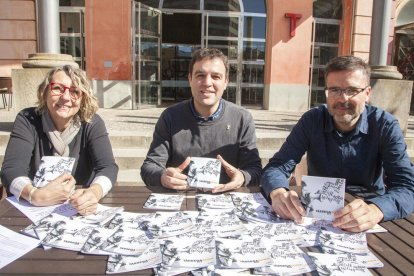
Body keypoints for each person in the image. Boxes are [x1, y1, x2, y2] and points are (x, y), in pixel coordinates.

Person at [261, 55, 414, 232]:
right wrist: (278, 192)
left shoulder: (385, 125)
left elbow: (407, 187)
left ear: (367, 93)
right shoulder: (312, 120)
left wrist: (376, 210)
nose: (342, 99)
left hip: (367, 220)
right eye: (334, 90)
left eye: (352, 90)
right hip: (316, 216)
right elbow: (277, 166)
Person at [0, 65, 118, 215]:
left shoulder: (92, 123)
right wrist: (34, 195)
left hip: (78, 209)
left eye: (75, 91)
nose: (66, 97)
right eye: (57, 88)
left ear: (83, 98)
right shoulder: (27, 120)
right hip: (32, 209)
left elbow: (108, 167)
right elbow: (11, 169)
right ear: (45, 93)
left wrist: (94, 193)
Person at [140, 48, 262, 192]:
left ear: (226, 82)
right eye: (200, 75)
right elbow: (150, 166)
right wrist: (162, 176)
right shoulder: (170, 117)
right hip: (181, 201)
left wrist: (242, 176)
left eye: (216, 76)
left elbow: (255, 169)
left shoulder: (242, 119)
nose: (207, 82)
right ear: (190, 79)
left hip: (225, 202)